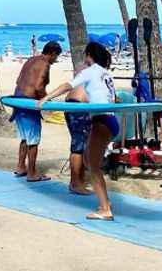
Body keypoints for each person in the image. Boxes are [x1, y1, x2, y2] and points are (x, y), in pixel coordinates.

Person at [39, 42, 118, 220]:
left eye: (86, 55)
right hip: (110, 120)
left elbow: (68, 85)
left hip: (102, 121)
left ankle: (105, 209)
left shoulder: (91, 70)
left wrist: (48, 97)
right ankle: (105, 201)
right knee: (90, 162)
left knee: (94, 167)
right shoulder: (106, 74)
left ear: (89, 55)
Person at [11, 40, 62, 182]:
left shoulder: (31, 60)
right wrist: (45, 101)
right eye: (56, 57)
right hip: (29, 103)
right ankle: (32, 173)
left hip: (17, 100)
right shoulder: (45, 64)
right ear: (52, 53)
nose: (55, 60)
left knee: (24, 138)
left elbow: (19, 80)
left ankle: (21, 167)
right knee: (33, 140)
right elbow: (39, 86)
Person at [64, 83, 92, 195]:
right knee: (78, 147)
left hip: (71, 105)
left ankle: (79, 180)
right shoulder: (100, 74)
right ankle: (75, 183)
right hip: (79, 107)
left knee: (81, 145)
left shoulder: (87, 73)